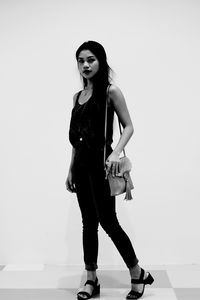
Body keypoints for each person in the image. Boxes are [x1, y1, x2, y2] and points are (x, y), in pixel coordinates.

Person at [66, 41, 154, 300]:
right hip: (81, 167)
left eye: (91, 59)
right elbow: (76, 139)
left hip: (101, 167)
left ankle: (137, 272)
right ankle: (91, 279)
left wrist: (115, 152)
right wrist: (70, 170)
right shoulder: (77, 97)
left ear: (101, 61)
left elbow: (128, 126)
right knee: (88, 224)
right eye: (81, 60)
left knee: (108, 222)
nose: (85, 65)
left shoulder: (110, 92)